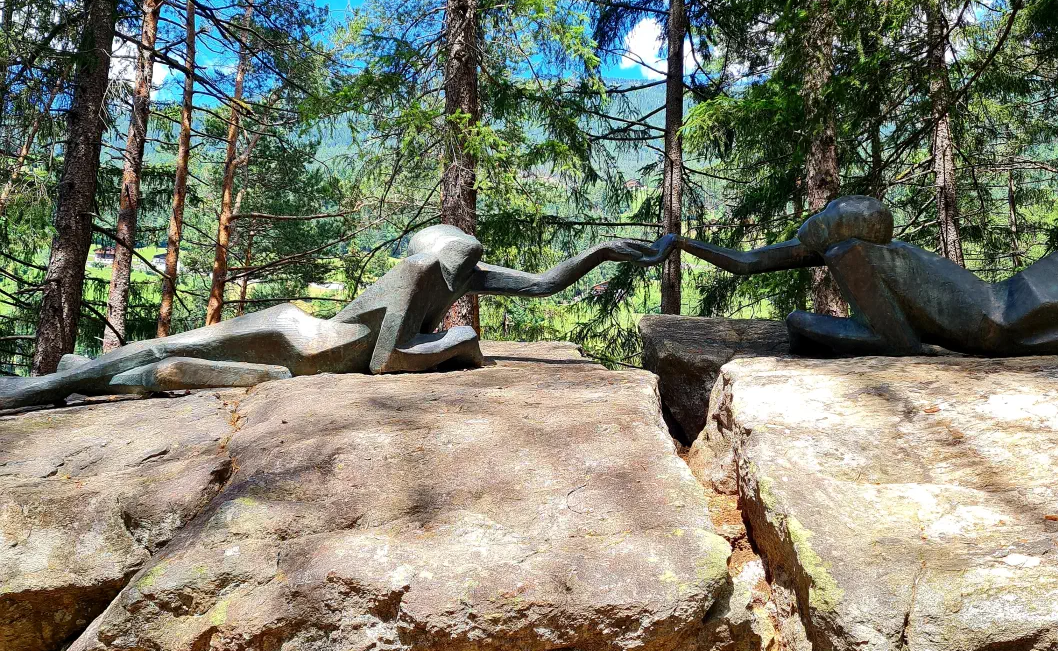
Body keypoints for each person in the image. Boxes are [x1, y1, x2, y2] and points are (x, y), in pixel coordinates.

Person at [0, 225, 676, 410]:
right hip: (299, 340)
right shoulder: (418, 276)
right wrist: (457, 344)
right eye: (467, 266)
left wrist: (601, 252)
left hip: (309, 363)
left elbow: (540, 285)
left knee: (169, 364)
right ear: (445, 261)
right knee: (162, 348)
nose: (473, 274)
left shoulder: (453, 270)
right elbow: (383, 361)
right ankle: (40, 387)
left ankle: (80, 376)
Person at [678, 194, 1058, 357]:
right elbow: (748, 261)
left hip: (1002, 325)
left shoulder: (851, 255)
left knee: (797, 318)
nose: (816, 220)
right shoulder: (845, 247)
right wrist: (677, 243)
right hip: (1000, 306)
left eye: (828, 219)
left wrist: (800, 326)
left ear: (846, 236)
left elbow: (897, 343)